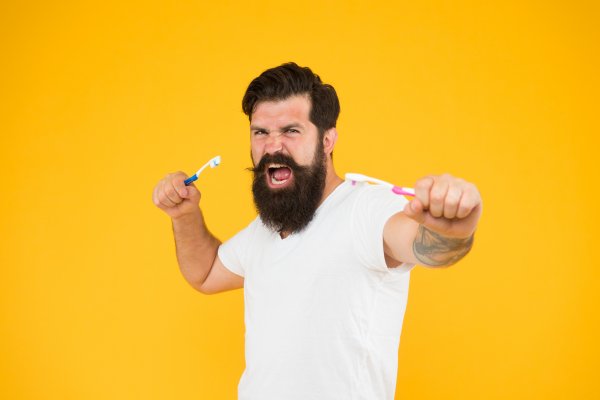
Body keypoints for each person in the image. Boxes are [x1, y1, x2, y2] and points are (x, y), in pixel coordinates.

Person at [152, 62, 482, 399]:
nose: (272, 146)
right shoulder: (263, 231)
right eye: (260, 132)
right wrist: (184, 214)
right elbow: (205, 273)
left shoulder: (365, 209)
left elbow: (429, 247)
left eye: (291, 131)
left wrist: (454, 228)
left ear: (327, 140)